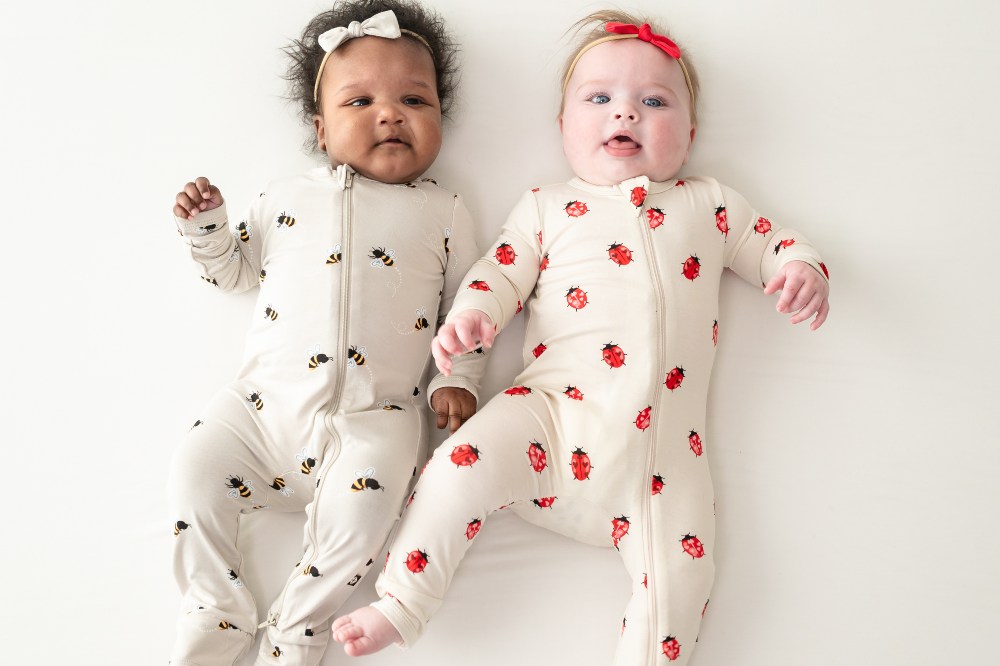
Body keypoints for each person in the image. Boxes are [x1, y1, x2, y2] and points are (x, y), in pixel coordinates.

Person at [331, 9, 831, 665]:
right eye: (600, 99)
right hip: (547, 420)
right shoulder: (545, 206)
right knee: (455, 469)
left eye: (653, 101)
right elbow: (498, 271)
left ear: (690, 131)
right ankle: (403, 600)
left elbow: (774, 243)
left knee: (683, 580)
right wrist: (477, 316)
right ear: (565, 126)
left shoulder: (710, 204)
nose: (625, 114)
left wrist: (801, 269)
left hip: (660, 466)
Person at [167, 2, 486, 664]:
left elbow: (470, 305)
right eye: (360, 100)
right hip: (262, 408)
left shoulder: (445, 210)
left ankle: (298, 632)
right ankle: (215, 612)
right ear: (320, 128)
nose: (390, 114)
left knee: (364, 522)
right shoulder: (284, 197)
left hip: (378, 416)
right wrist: (209, 229)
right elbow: (234, 273)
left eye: (414, 100)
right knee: (194, 472)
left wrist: (457, 378)